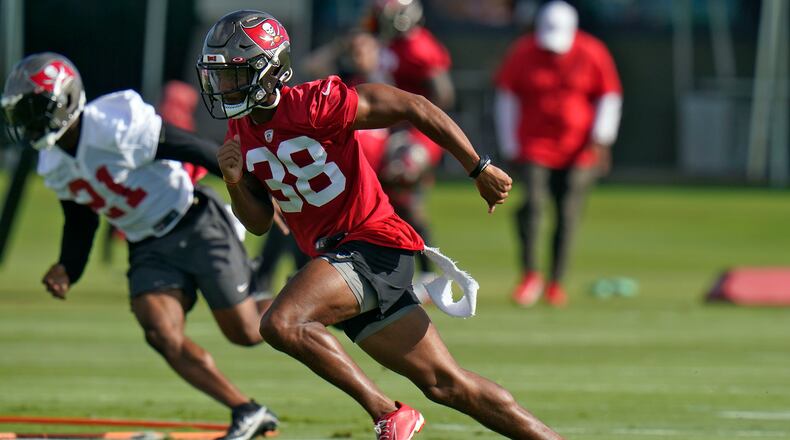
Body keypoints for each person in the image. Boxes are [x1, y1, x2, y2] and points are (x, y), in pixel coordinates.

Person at [196, 10, 563, 440]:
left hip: (372, 244)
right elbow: (259, 224)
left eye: (234, 74)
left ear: (270, 68)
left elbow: (415, 106)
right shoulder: (238, 133)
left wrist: (477, 167)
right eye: (219, 76)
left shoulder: (315, 103)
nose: (224, 86)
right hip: (341, 259)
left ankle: (388, 414)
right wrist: (234, 183)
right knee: (447, 384)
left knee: (282, 323)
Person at [1, 53, 278, 440]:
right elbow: (80, 218)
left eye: (33, 110)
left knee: (246, 331)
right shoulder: (53, 160)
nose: (27, 121)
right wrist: (69, 267)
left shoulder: (113, 124)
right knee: (160, 331)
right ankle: (246, 410)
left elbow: (194, 148)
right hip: (146, 244)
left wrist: (257, 195)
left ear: (65, 101)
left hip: (193, 219)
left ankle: (303, 303)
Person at [494, 0, 623, 307]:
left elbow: (609, 96)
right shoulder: (523, 52)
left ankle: (556, 281)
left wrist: (602, 139)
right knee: (532, 205)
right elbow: (506, 98)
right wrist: (509, 145)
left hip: (579, 148)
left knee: (568, 212)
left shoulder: (593, 52)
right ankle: (530, 275)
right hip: (534, 144)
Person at [364, 0, 454, 284]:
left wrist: (413, 123)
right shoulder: (387, 43)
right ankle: (404, 268)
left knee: (405, 195)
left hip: (415, 133)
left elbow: (443, 95)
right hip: (392, 131)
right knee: (384, 200)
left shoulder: (419, 47)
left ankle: (428, 271)